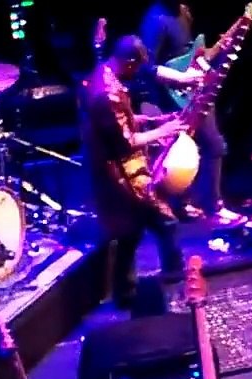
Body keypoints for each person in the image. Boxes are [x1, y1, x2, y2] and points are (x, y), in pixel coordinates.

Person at [80, 36, 193, 308]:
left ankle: (125, 295)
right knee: (165, 222)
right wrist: (163, 131)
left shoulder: (100, 75)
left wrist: (151, 120)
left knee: (130, 233)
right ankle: (174, 284)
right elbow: (126, 141)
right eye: (136, 67)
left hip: (110, 171)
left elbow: (116, 124)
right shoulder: (108, 94)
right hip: (120, 176)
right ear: (128, 62)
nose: (136, 73)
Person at [138, 2, 244, 226]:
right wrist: (182, 79)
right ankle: (212, 206)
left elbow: (188, 53)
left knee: (197, 147)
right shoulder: (156, 20)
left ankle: (184, 204)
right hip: (174, 95)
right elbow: (147, 67)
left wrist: (214, 50)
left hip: (194, 89)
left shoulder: (184, 10)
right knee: (211, 145)